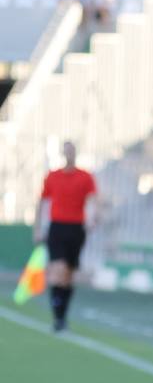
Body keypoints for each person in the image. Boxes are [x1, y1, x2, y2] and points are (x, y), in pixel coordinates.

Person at [32, 140, 97, 332]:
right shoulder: (52, 176)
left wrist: (92, 218)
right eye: (66, 151)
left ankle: (63, 315)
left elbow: (93, 200)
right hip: (57, 227)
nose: (69, 154)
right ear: (63, 153)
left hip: (76, 228)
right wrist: (37, 228)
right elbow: (42, 202)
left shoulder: (85, 177)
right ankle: (57, 316)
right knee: (58, 269)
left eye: (72, 151)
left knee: (68, 274)